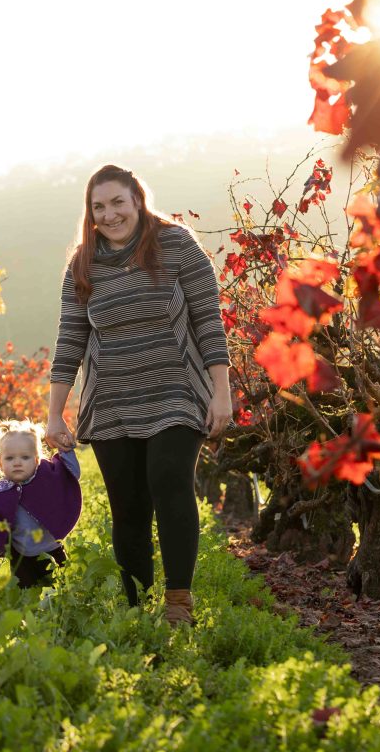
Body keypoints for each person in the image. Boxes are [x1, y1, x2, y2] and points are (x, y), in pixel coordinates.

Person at [45, 164, 231, 627]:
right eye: (98, 206)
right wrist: (54, 414)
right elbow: (70, 340)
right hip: (110, 400)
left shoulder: (176, 244)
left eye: (117, 203)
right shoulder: (82, 265)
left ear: (137, 201)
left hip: (177, 390)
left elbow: (209, 320)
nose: (109, 215)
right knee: (128, 507)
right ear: (89, 213)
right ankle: (135, 610)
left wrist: (221, 391)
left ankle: (177, 605)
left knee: (169, 482)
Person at [0, 420, 82, 588]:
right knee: (27, 596)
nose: (17, 462)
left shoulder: (47, 476)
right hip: (21, 558)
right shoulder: (0, 491)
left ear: (36, 460)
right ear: (0, 463)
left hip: (52, 551)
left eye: (25, 457)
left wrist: (66, 450)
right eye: (10, 458)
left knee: (63, 590)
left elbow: (71, 474)